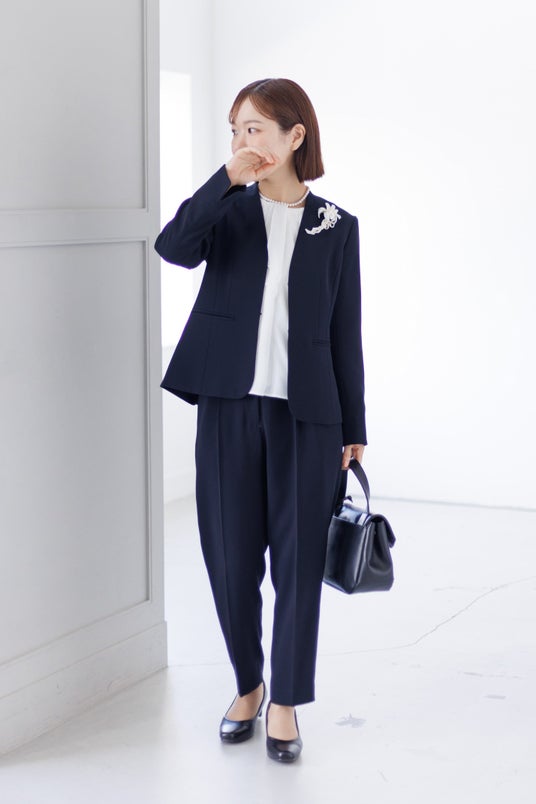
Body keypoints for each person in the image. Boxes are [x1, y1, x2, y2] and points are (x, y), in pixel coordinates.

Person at [155, 77, 366, 763]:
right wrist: (226, 178)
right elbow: (172, 247)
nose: (244, 141)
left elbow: (346, 331)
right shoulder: (228, 210)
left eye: (255, 128)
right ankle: (248, 685)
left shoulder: (337, 225)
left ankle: (285, 703)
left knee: (299, 566)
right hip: (227, 406)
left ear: (294, 135)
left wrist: (355, 426)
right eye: (235, 130)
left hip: (310, 419)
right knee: (229, 556)